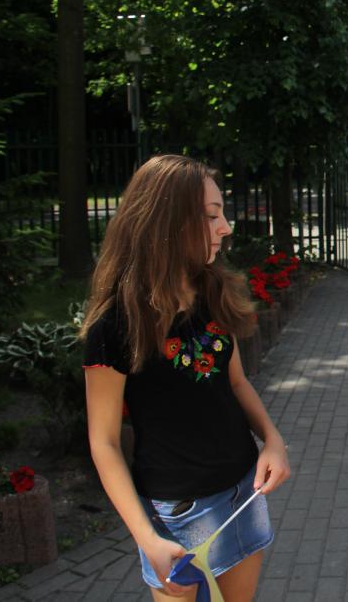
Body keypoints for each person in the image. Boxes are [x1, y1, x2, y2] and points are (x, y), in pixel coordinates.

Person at [81, 154, 291, 602]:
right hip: (178, 514)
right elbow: (104, 443)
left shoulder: (210, 291)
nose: (226, 228)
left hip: (243, 492)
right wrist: (147, 539)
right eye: (212, 216)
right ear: (168, 222)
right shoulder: (114, 326)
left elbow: (236, 383)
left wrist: (273, 441)